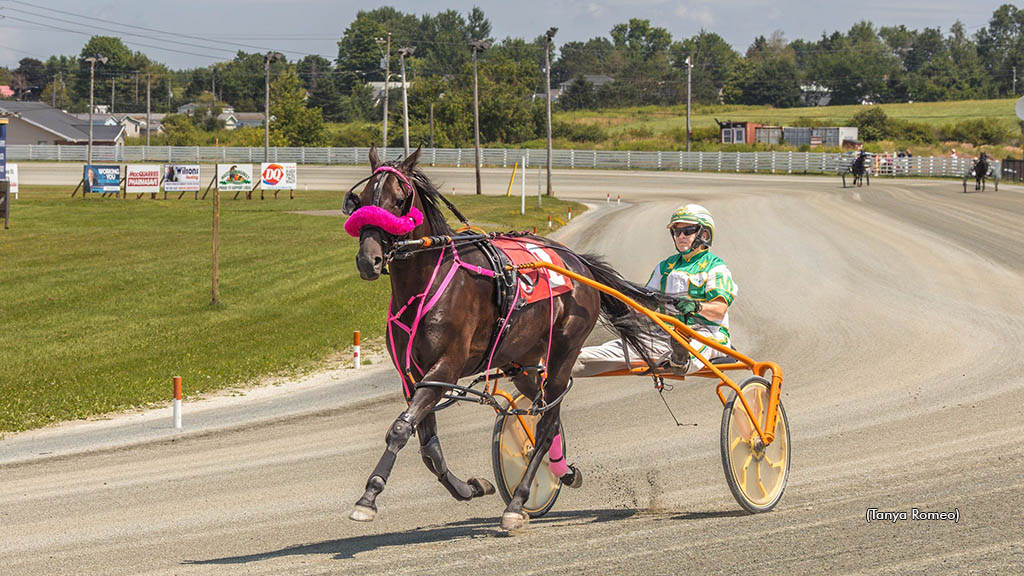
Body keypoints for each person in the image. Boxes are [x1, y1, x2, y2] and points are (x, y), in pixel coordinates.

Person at [573, 204, 738, 377]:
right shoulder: (665, 267)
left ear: (704, 234)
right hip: (665, 336)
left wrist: (696, 307)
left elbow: (719, 311)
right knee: (603, 352)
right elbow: (646, 306)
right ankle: (559, 364)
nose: (681, 236)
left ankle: (681, 359)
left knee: (694, 348)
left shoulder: (716, 268)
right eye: (676, 232)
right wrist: (616, 302)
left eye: (687, 231)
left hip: (706, 335)